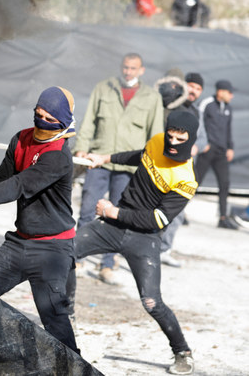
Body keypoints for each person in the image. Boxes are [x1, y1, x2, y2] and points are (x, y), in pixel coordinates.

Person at [68, 109, 199, 375]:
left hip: (144, 239)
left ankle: (182, 352)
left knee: (152, 302)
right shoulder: (157, 141)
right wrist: (103, 158)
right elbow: (138, 156)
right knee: (64, 252)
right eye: (170, 137)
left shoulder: (186, 179)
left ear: (191, 138)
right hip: (113, 227)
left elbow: (157, 220)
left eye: (179, 139)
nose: (172, 143)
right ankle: (66, 315)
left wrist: (111, 211)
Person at [0, 87, 79, 353]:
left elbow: (20, 185)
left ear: (63, 122)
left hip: (52, 249)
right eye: (38, 114)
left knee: (55, 321)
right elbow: (3, 176)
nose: (41, 121)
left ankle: (75, 369)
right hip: (19, 243)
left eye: (48, 118)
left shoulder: (59, 156)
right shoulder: (21, 139)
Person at [73, 53, 164, 284]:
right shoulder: (104, 88)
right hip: (99, 159)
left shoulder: (152, 97)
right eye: (125, 67)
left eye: (133, 68)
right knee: (87, 208)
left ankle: (107, 264)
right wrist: (82, 148)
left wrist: (151, 168)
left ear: (141, 70)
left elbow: (155, 135)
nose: (128, 72)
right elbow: (89, 121)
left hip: (128, 166)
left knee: (117, 214)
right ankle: (76, 257)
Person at [159, 72, 205, 267]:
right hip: (162, 166)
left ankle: (164, 250)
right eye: (191, 86)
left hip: (184, 170)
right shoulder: (168, 107)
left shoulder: (197, 113)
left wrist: (196, 146)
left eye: (198, 88)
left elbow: (203, 138)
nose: (193, 91)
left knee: (177, 211)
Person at [195, 80, 237, 229]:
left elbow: (228, 129)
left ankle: (223, 218)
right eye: (229, 92)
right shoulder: (206, 103)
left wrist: (230, 147)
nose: (231, 96)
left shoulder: (229, 109)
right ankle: (179, 212)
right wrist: (202, 143)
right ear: (220, 91)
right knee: (194, 182)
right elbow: (198, 123)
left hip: (221, 152)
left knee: (224, 184)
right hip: (207, 149)